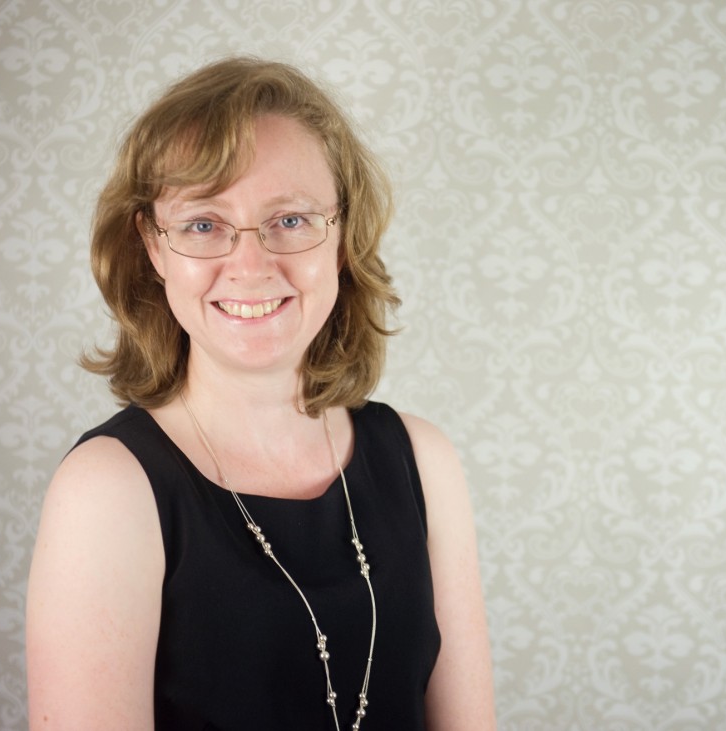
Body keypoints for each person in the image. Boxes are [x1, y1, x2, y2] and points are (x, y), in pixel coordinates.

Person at [26, 56, 495, 730]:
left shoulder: (423, 458)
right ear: (153, 249)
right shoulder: (107, 489)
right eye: (203, 225)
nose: (250, 265)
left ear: (342, 237)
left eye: (292, 220)